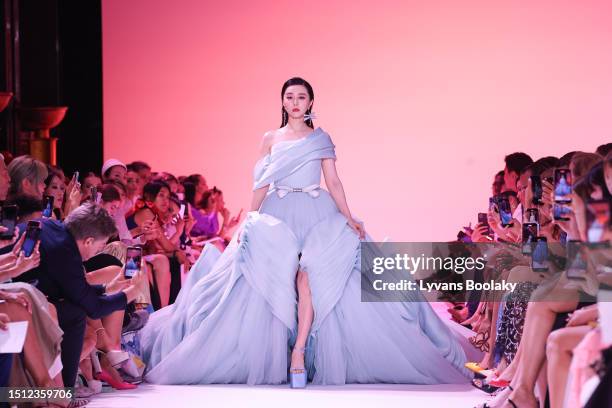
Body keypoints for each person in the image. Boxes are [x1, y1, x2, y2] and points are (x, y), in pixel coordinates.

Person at [140, 77, 471, 386]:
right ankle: (284, 353)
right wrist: (249, 220)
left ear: (311, 101)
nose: (295, 102)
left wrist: (349, 216)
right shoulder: (270, 138)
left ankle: (298, 351)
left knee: (311, 277)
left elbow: (334, 182)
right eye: (289, 97)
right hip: (276, 214)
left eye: (301, 97)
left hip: (318, 214)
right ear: (283, 103)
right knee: (270, 279)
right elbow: (261, 184)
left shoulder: (321, 138)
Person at [14, 203, 145, 387]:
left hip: (24, 292)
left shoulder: (52, 226)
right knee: (75, 313)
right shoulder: (66, 253)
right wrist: (131, 293)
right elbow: (94, 309)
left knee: (72, 311)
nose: (97, 252)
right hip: (15, 299)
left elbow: (73, 289)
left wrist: (108, 287)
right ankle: (64, 392)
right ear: (89, 241)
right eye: (100, 247)